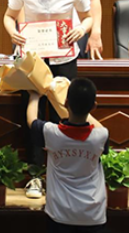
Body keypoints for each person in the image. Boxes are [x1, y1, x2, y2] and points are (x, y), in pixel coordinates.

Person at [4, 0, 92, 198]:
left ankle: (62, 173)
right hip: (33, 57)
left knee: (63, 113)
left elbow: (88, 17)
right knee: (32, 114)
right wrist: (13, 33)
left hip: (64, 57)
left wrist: (80, 29)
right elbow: (9, 16)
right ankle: (34, 175)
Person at [26, 78, 109, 233]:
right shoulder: (100, 136)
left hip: (60, 214)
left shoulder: (51, 133)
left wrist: (34, 95)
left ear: (66, 103)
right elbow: (100, 127)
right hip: (93, 215)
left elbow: (32, 121)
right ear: (94, 106)